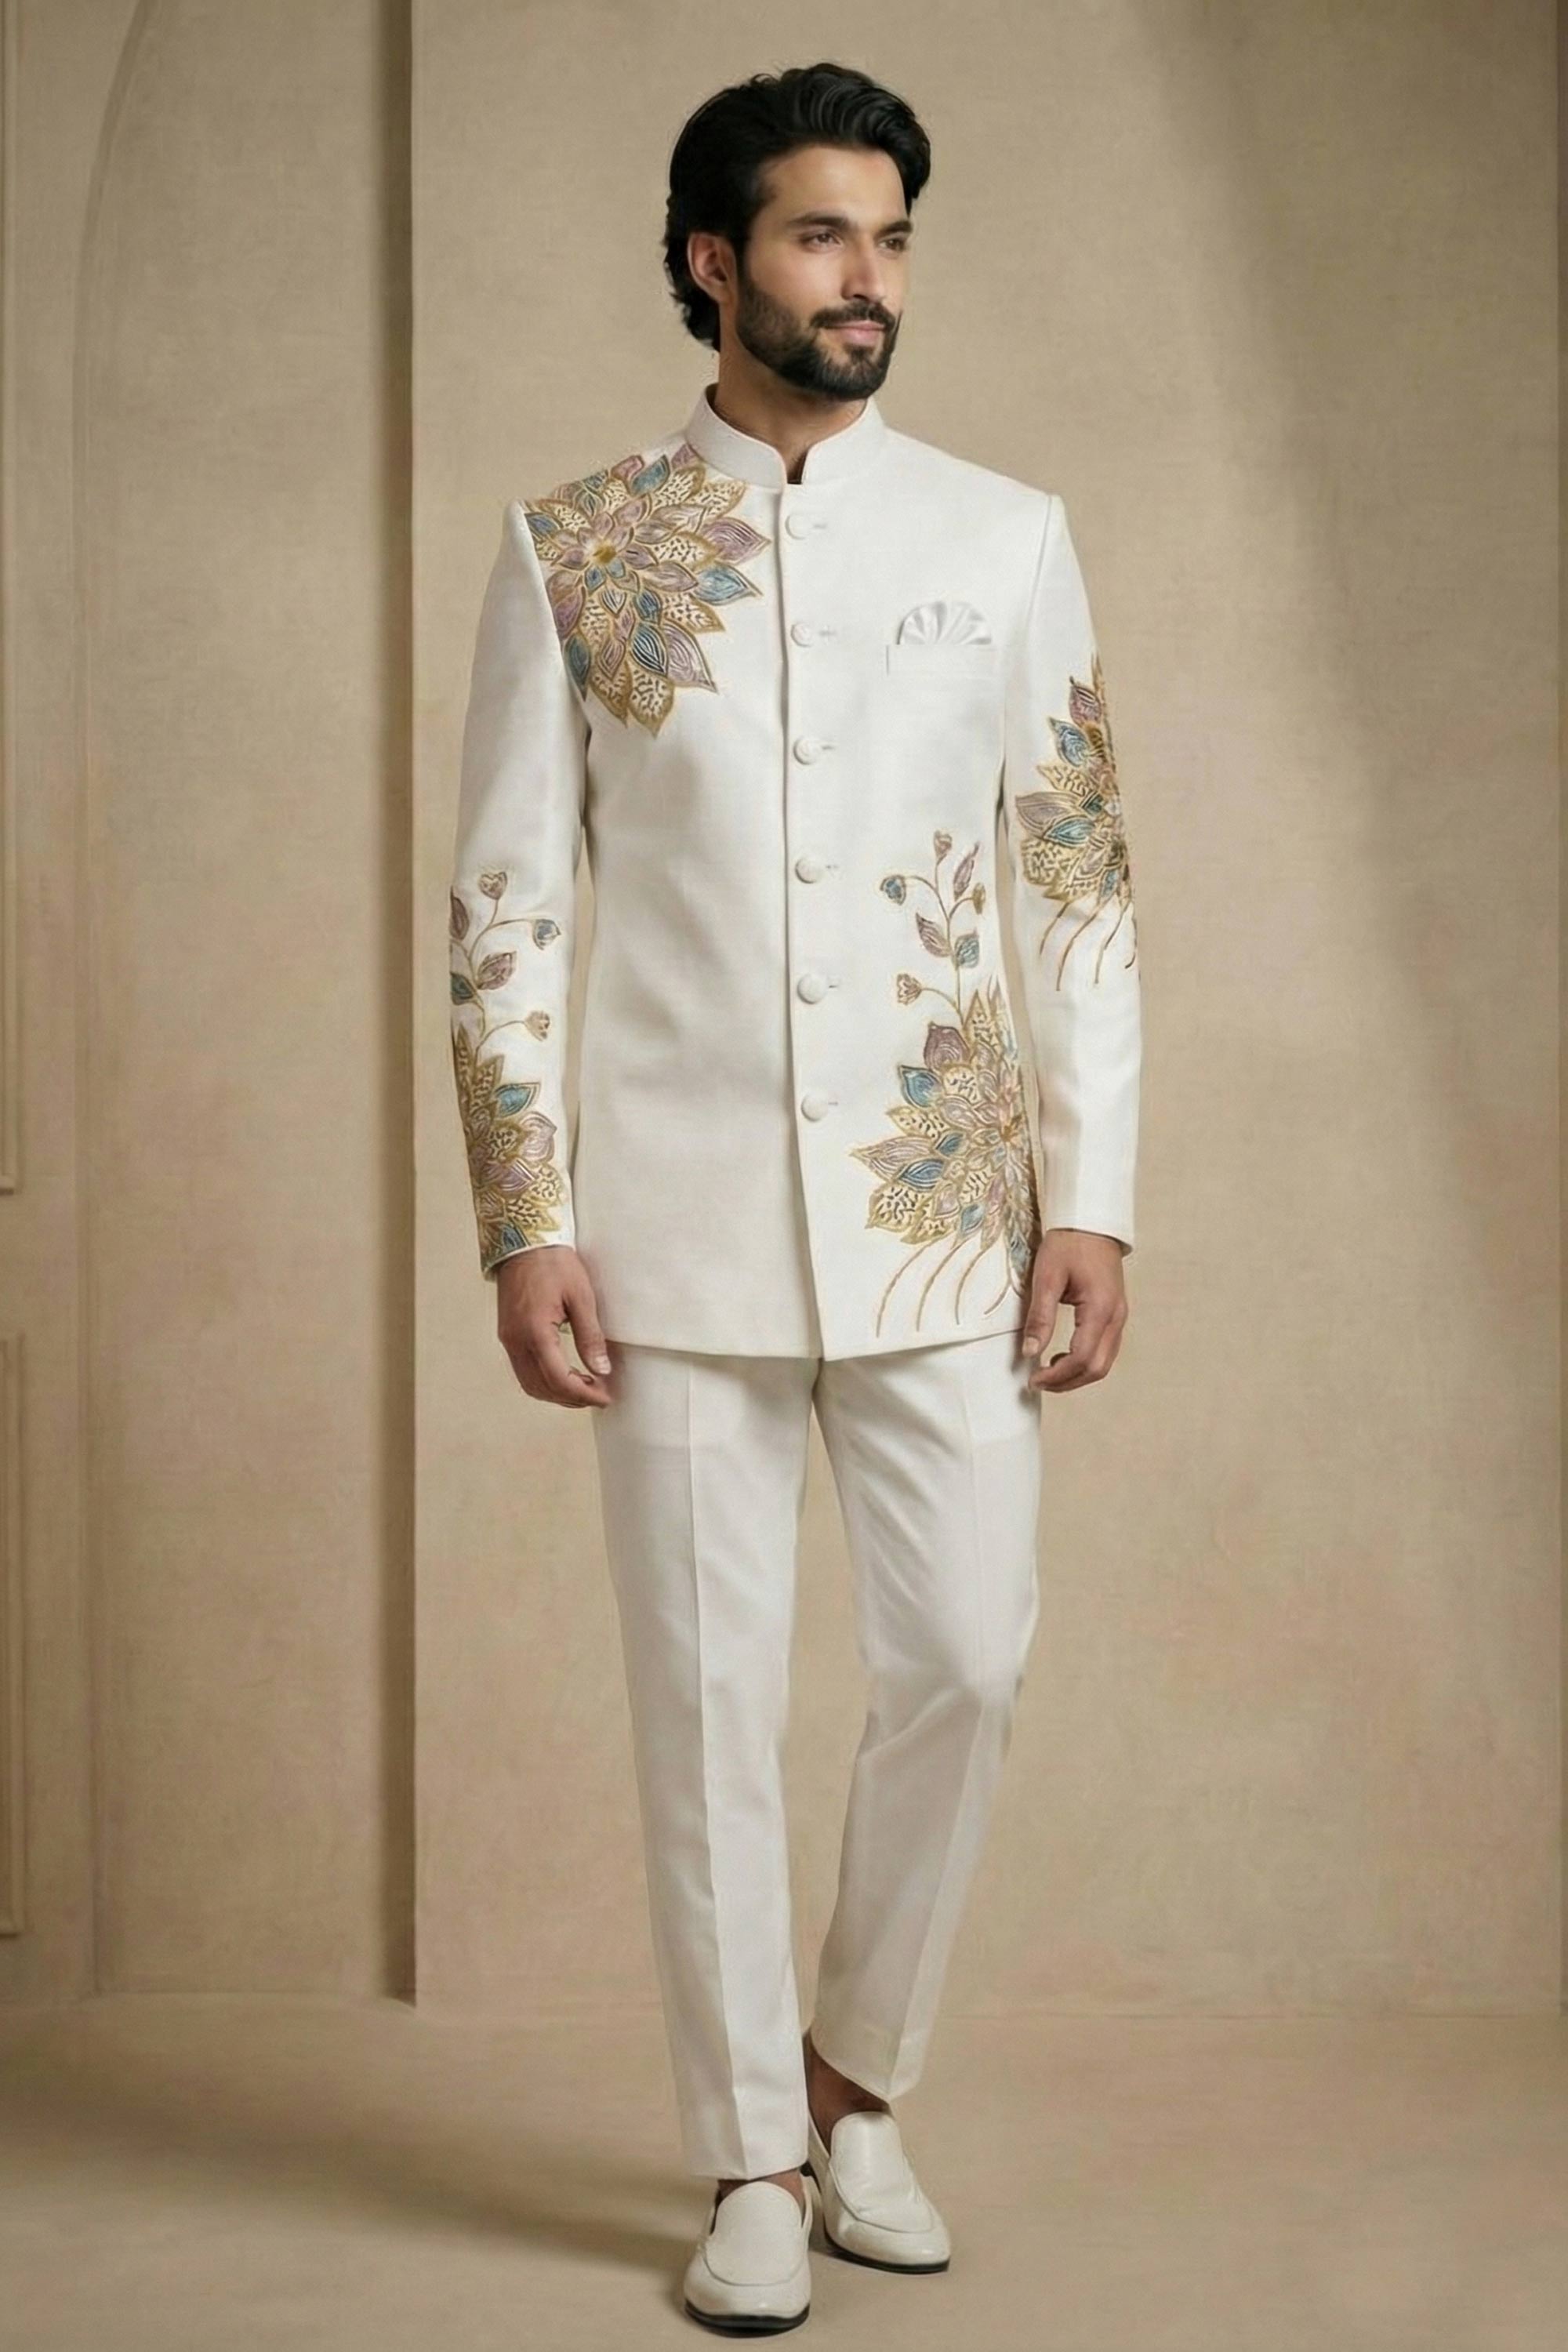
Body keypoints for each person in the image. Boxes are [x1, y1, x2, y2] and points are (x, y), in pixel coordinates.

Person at [448, 58, 1142, 2336]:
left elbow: (1077, 888)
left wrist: (1095, 1198)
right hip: (666, 1239)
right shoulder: (575, 545)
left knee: (966, 1657)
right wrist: (526, 1216)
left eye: (894, 237)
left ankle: (860, 2081)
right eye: (826, 234)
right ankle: (753, 2155)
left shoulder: (1004, 538)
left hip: (948, 1217)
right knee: (706, 1705)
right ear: (712, 261)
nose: (871, 278)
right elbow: (508, 907)